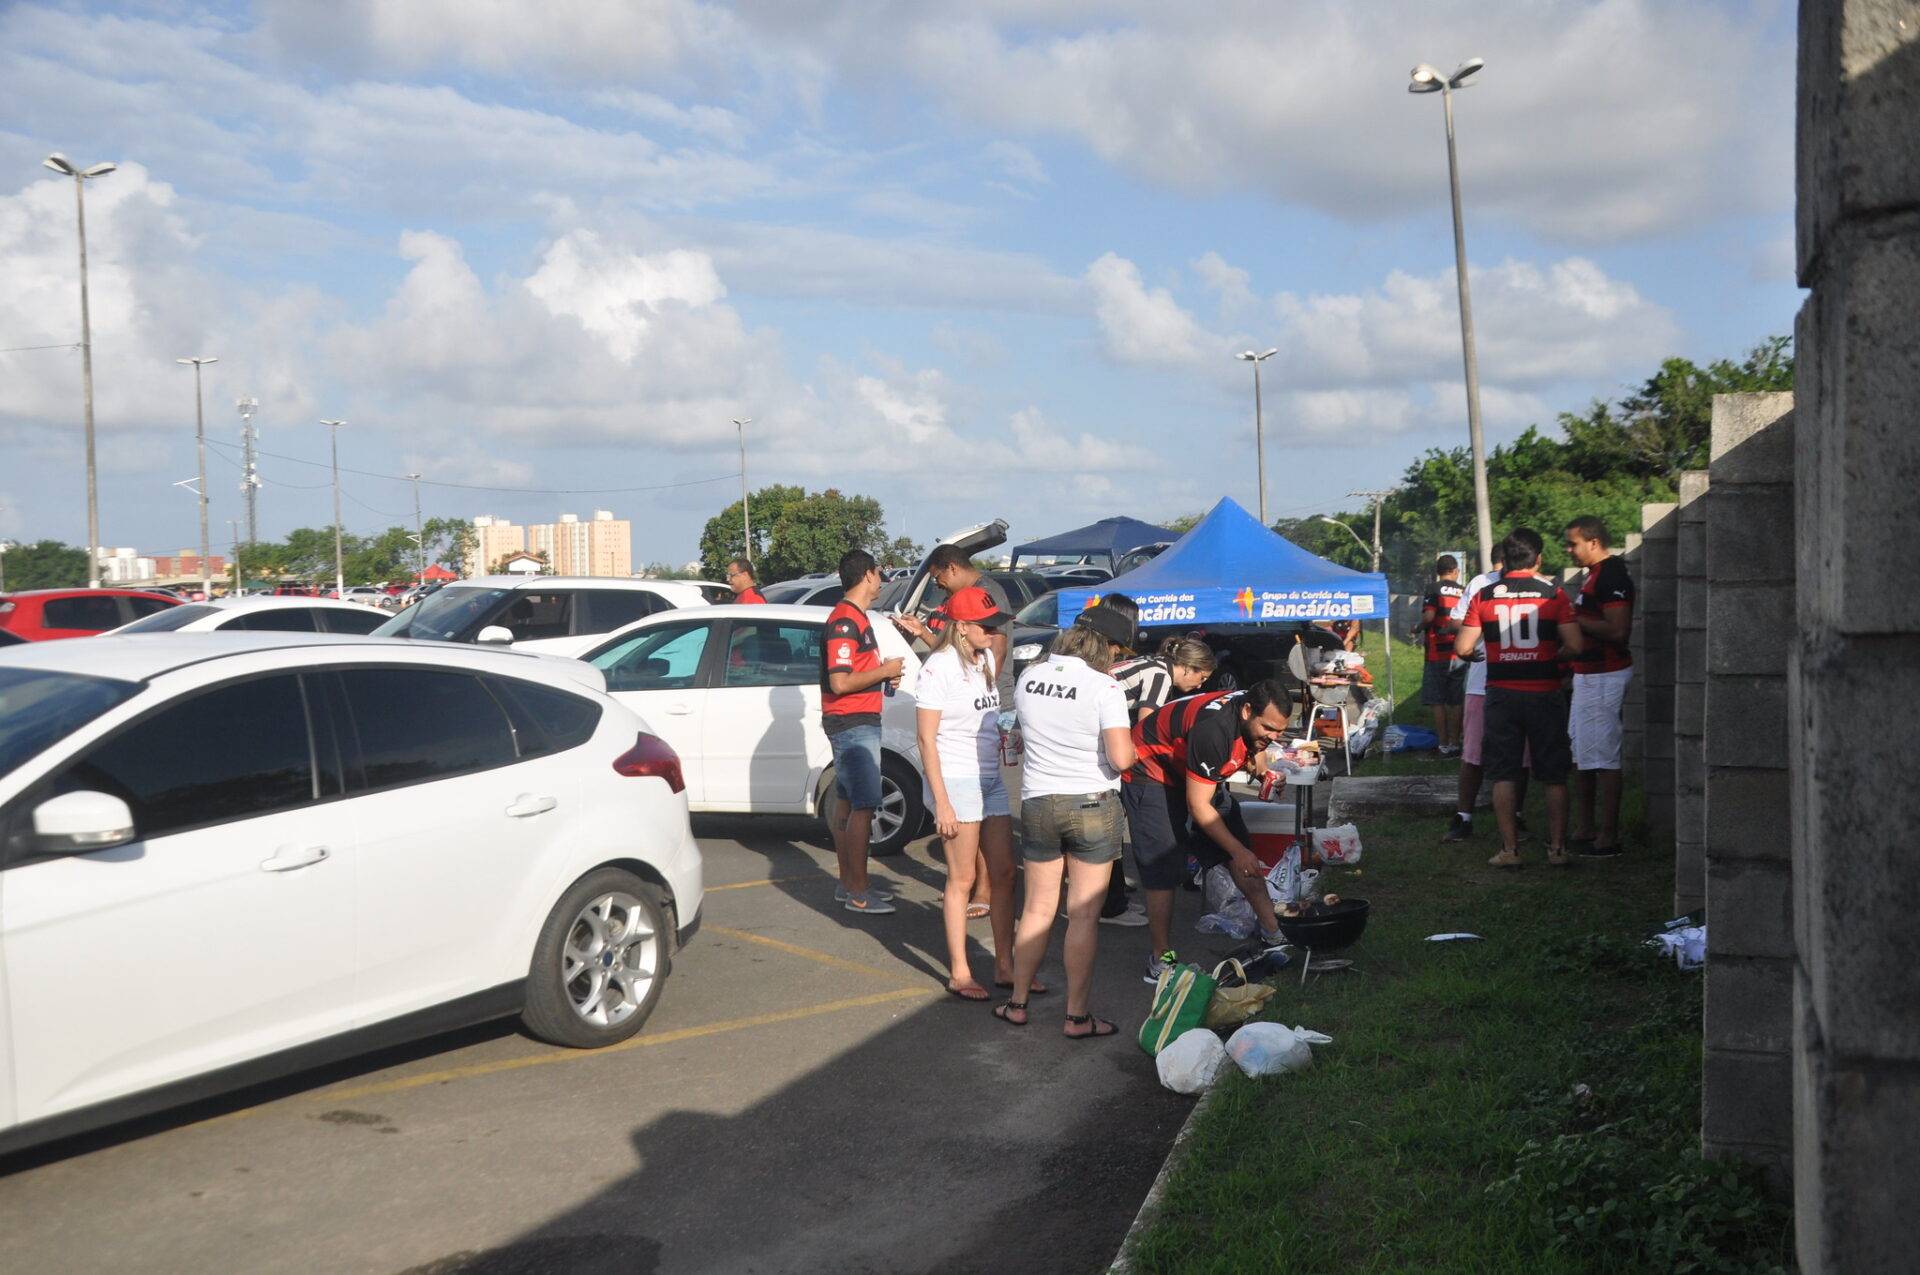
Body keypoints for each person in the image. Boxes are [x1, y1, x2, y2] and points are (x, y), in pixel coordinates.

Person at [996, 612, 1136, 1037]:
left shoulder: (1029, 678)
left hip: (1038, 801)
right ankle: (1077, 1017)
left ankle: (1017, 1002)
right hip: (1092, 802)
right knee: (1082, 916)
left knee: (1037, 908)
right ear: (1102, 651)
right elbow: (1121, 759)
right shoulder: (1105, 687)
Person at [1125, 680, 1295, 983]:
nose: (1274, 737)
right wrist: (1236, 851)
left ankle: (1274, 933)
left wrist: (1264, 773)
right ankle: (1161, 960)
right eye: (1269, 728)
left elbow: (1255, 749)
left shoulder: (1250, 717)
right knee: (1164, 867)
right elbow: (1199, 806)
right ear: (1246, 711)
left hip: (1190, 772)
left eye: (1281, 731)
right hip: (1149, 770)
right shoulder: (1214, 731)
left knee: (1242, 850)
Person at [1454, 529, 1585, 868]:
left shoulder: (1483, 596)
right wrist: (1554, 660)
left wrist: (1478, 657)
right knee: (1554, 774)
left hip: (1501, 694)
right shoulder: (1554, 595)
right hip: (1545, 692)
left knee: (1504, 773)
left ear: (1503, 561)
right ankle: (1557, 849)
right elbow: (1575, 646)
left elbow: (1463, 647)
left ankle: (1510, 850)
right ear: (1538, 559)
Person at [916, 587, 1020, 1000]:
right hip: (956, 779)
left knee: (1005, 873)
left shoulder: (987, 659)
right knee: (961, 878)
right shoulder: (937, 667)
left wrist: (1007, 737)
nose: (995, 631)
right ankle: (960, 971)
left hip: (989, 775)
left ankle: (1005, 965)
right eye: (986, 625)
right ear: (961, 627)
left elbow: (991, 717)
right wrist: (941, 801)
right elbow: (926, 740)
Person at [1101, 636, 1218, 926]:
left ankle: (1113, 895)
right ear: (1188, 668)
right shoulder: (1159, 674)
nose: (1201, 685)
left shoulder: (1150, 663)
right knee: (1109, 826)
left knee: (1109, 828)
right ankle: (1110, 904)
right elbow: (1146, 727)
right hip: (1100, 747)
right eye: (1201, 677)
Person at [820, 549, 905, 914]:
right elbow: (840, 682)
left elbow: (853, 671)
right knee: (865, 806)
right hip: (852, 723)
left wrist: (882, 673)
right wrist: (883, 672)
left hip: (857, 720)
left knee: (848, 802)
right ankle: (858, 891)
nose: (882, 580)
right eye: (879, 573)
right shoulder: (844, 620)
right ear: (867, 575)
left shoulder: (856, 617)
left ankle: (849, 885)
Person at [1440, 543, 1530, 843]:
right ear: (1500, 562)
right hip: (1482, 680)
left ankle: (1516, 815)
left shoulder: (1533, 585)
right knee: (1473, 754)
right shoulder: (1481, 584)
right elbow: (1456, 620)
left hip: (1521, 679)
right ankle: (1464, 816)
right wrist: (1477, 626)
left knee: (1522, 755)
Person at [1563, 517, 1635, 857]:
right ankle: (1586, 827)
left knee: (1604, 754)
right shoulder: (1593, 576)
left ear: (1593, 542)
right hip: (1587, 673)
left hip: (1605, 675)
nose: (1568, 550)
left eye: (1573, 543)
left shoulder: (1611, 575)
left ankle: (1608, 836)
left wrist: (1574, 621)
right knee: (1582, 752)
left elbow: (1618, 630)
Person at [1414, 555, 1467, 754]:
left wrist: (1417, 628)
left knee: (1437, 700)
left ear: (1438, 571)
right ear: (1455, 571)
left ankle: (1443, 744)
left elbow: (1428, 617)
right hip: (1459, 652)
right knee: (1456, 699)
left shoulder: (1433, 589)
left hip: (1437, 653)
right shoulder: (1464, 591)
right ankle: (1455, 742)